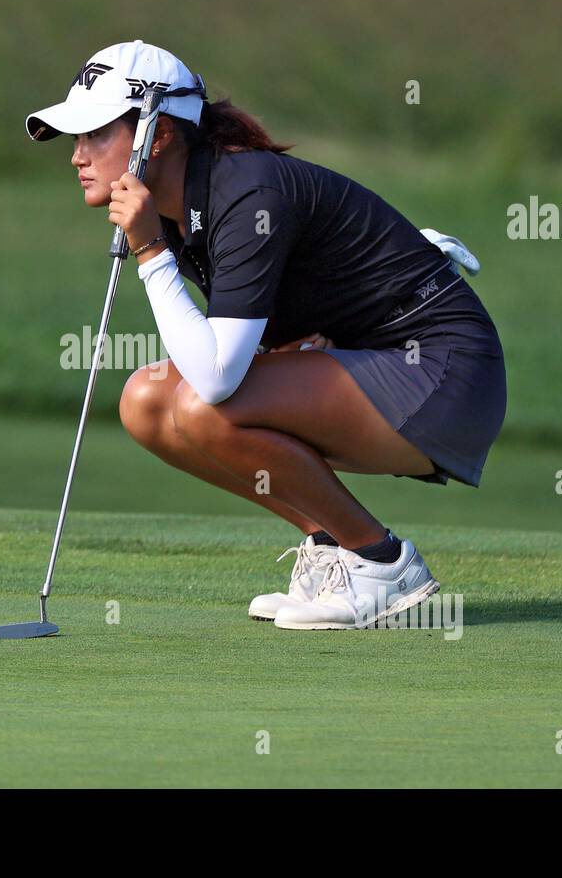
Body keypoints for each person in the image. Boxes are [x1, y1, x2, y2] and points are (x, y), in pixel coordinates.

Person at [25, 40, 506, 630]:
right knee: (146, 402)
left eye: (96, 134)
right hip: (374, 364)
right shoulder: (183, 207)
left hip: (446, 375)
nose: (77, 156)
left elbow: (217, 375)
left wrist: (150, 250)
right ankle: (333, 548)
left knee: (202, 404)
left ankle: (382, 562)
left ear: (161, 133)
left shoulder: (245, 192)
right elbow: (242, 345)